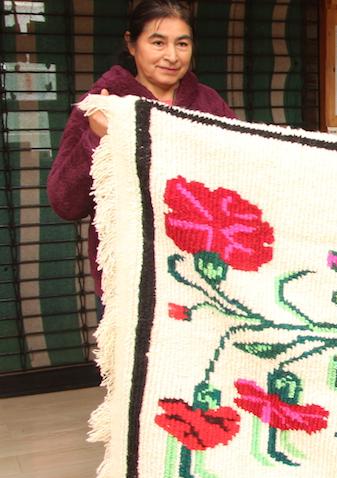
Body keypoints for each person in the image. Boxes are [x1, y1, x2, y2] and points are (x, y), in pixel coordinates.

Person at [47, 0, 237, 306]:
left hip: (201, 276)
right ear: (132, 44)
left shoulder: (208, 103)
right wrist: (96, 139)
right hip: (128, 279)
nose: (172, 56)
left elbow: (244, 170)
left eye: (182, 43)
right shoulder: (102, 105)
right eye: (157, 42)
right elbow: (65, 202)